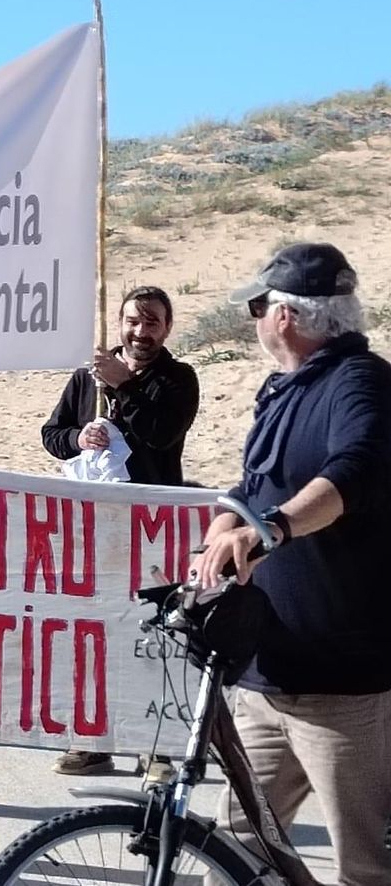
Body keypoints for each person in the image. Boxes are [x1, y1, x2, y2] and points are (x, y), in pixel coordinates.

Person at [191, 243, 391, 885]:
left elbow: (353, 473)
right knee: (241, 851)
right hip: (266, 675)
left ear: (286, 316)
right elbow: (256, 482)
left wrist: (271, 530)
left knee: (365, 865)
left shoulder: (360, 382)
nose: (252, 320)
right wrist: (230, 520)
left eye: (257, 306)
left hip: (342, 686)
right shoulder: (282, 388)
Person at [41, 285, 200, 779]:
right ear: (121, 322)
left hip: (153, 526)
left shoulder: (178, 379)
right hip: (96, 526)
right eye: (134, 320)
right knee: (97, 632)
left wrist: (125, 386)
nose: (141, 331)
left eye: (152, 322)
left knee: (151, 637)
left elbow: (162, 434)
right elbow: (52, 435)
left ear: (167, 328)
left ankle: (155, 748)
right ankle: (94, 739)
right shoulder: (88, 376)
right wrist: (76, 437)